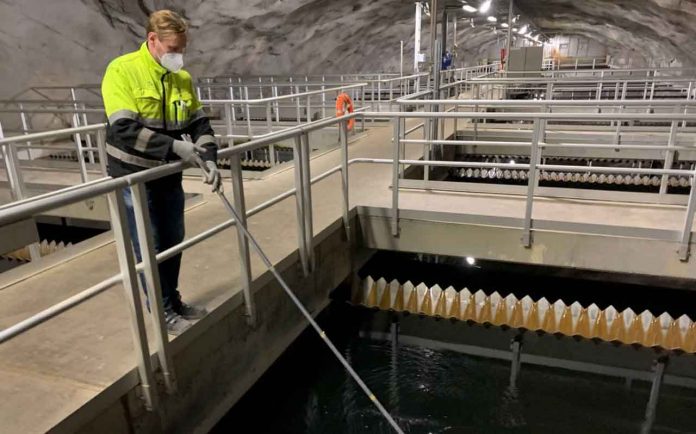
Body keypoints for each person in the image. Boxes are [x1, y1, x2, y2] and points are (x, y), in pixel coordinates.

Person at [101, 9, 221, 335]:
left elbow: (200, 124)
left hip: (167, 174)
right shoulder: (122, 71)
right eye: (172, 49)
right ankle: (163, 310)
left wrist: (210, 158)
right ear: (152, 39)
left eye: (182, 49)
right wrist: (175, 147)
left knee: (173, 240)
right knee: (149, 246)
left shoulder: (181, 78)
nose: (178, 56)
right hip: (134, 176)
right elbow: (123, 129)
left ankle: (174, 300)